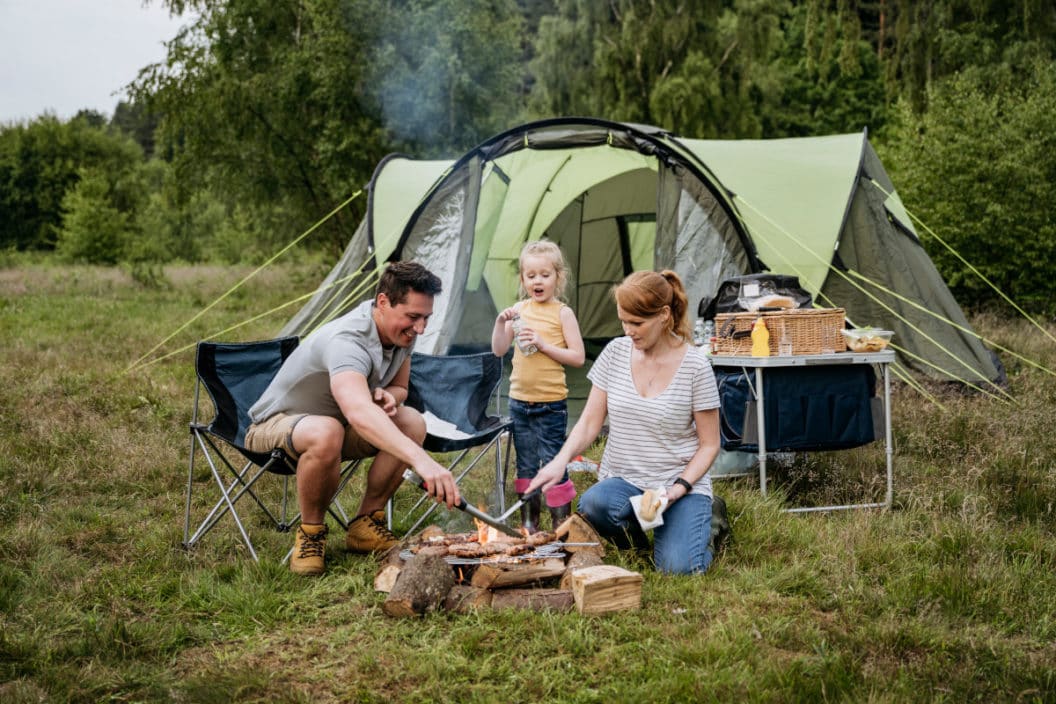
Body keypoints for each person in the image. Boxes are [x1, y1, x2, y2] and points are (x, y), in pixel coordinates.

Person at [245, 261, 459, 576]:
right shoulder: (348, 340)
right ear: (383, 302)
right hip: (277, 424)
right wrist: (423, 461)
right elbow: (358, 412)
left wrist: (391, 396)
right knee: (326, 430)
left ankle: (365, 524)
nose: (421, 329)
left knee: (411, 421)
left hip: (337, 425)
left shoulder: (400, 335)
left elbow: (399, 387)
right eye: (413, 317)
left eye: (426, 317)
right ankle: (311, 534)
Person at [526, 269, 726, 574]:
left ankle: (708, 525)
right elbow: (589, 424)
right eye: (623, 321)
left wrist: (678, 488)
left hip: (678, 487)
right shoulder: (615, 353)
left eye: (636, 323)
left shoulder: (696, 366)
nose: (628, 330)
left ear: (662, 315)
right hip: (628, 486)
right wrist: (560, 461)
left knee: (679, 569)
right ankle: (647, 539)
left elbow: (710, 444)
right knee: (594, 505)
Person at [491, 241, 585, 532]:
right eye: (531, 275)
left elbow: (578, 357)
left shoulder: (562, 313)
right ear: (522, 279)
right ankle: (528, 524)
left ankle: (561, 525)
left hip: (551, 404)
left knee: (554, 463)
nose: (537, 281)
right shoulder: (518, 311)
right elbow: (499, 349)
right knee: (526, 465)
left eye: (544, 274)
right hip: (520, 402)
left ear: (558, 277)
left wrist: (544, 345)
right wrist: (499, 323)